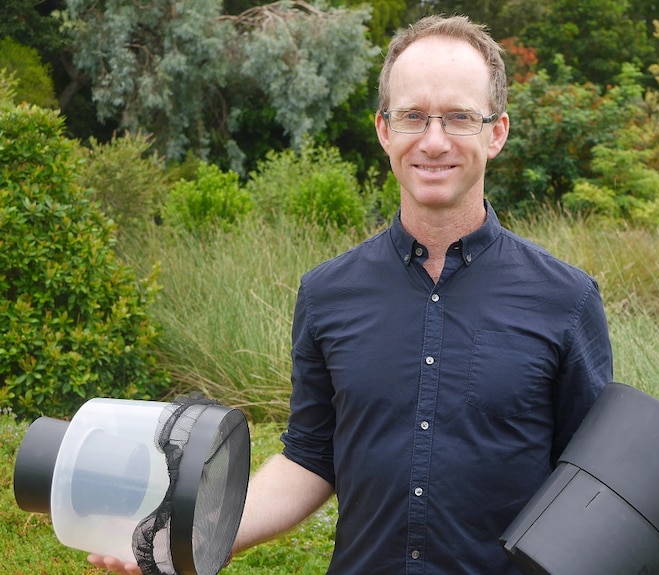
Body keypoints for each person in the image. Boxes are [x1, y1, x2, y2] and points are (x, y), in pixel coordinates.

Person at [89, 14, 613, 575]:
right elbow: (309, 460)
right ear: (385, 130)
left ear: (496, 132)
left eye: (459, 117)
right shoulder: (326, 294)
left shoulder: (567, 299)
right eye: (413, 116)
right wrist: (191, 539)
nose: (433, 141)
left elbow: (592, 484)